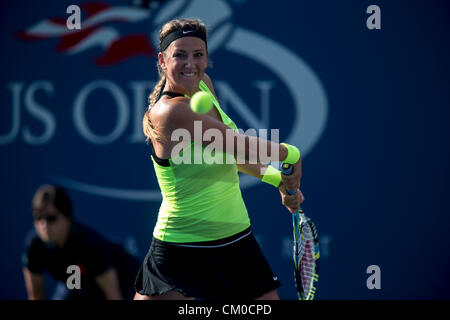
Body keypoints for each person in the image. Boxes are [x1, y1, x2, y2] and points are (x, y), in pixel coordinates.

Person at [134, 18, 304, 300]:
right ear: (162, 60)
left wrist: (278, 180)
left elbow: (230, 155)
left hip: (235, 236)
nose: (191, 64)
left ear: (207, 58)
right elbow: (237, 144)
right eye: (180, 55)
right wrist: (291, 154)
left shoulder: (204, 85)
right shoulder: (168, 113)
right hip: (181, 246)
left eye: (198, 55)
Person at [22, 184, 140, 300]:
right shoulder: (34, 245)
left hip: (125, 284)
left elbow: (113, 295)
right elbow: (35, 295)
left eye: (51, 218)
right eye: (38, 217)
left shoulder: (89, 245)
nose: (44, 225)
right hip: (77, 284)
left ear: (67, 217)